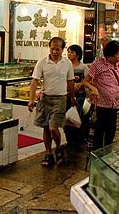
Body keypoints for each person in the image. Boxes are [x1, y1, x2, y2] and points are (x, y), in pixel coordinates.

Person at [83, 40, 119, 150]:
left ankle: (107, 151)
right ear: (110, 55)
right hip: (101, 104)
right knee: (100, 130)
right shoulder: (98, 64)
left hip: (114, 103)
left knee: (111, 129)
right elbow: (86, 81)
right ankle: (97, 153)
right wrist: (94, 88)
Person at [28, 37, 75, 166]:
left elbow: (70, 82)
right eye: (52, 49)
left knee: (53, 127)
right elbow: (35, 81)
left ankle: (58, 148)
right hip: (45, 98)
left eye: (57, 49)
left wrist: (72, 97)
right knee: (46, 128)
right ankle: (48, 153)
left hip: (60, 98)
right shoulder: (42, 62)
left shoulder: (67, 63)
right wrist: (31, 100)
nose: (54, 52)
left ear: (62, 49)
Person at [64, 44, 89, 150]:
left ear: (78, 55)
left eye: (72, 52)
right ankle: (69, 140)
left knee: (77, 118)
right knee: (67, 118)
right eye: (68, 52)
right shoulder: (65, 66)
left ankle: (78, 140)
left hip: (80, 97)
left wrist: (81, 84)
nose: (69, 54)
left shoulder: (83, 67)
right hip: (67, 96)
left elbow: (88, 80)